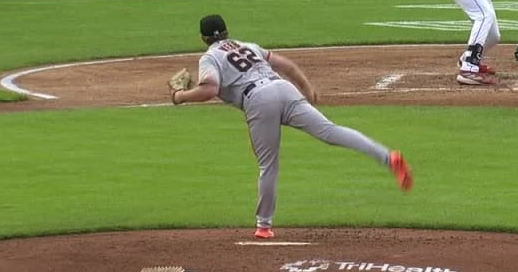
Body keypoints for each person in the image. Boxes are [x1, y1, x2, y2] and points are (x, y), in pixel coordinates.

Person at [169, 14, 413, 240]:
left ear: (203, 38)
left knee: (268, 165)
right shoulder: (248, 46)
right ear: (227, 31)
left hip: (258, 99)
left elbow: (210, 89)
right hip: (284, 88)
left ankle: (264, 226)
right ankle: (387, 157)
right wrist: (307, 89)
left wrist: (179, 96)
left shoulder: (210, 57)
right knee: (331, 131)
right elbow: (286, 65)